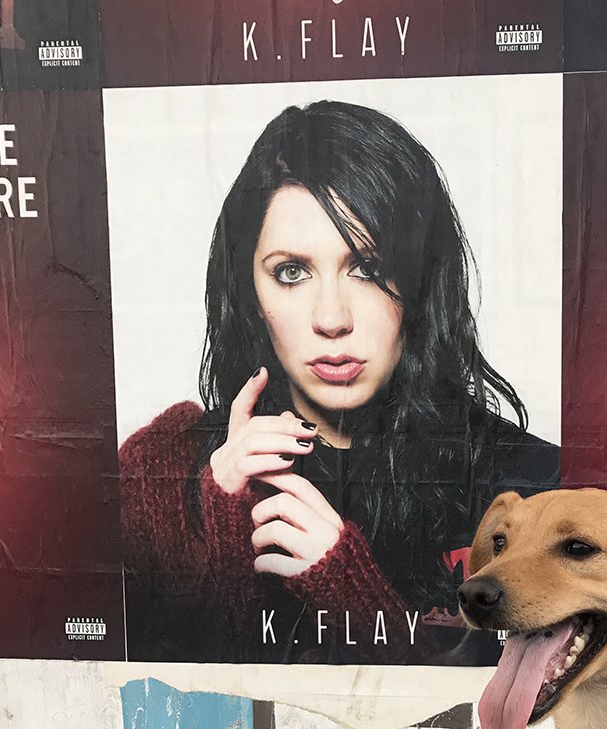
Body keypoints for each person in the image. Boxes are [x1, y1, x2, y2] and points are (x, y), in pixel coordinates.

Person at [119, 100, 559, 663]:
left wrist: (354, 596)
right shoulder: (161, 473)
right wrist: (217, 518)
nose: (332, 318)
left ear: (421, 281)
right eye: (291, 272)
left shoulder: (531, 486)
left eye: (369, 269)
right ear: (250, 294)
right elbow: (155, 709)